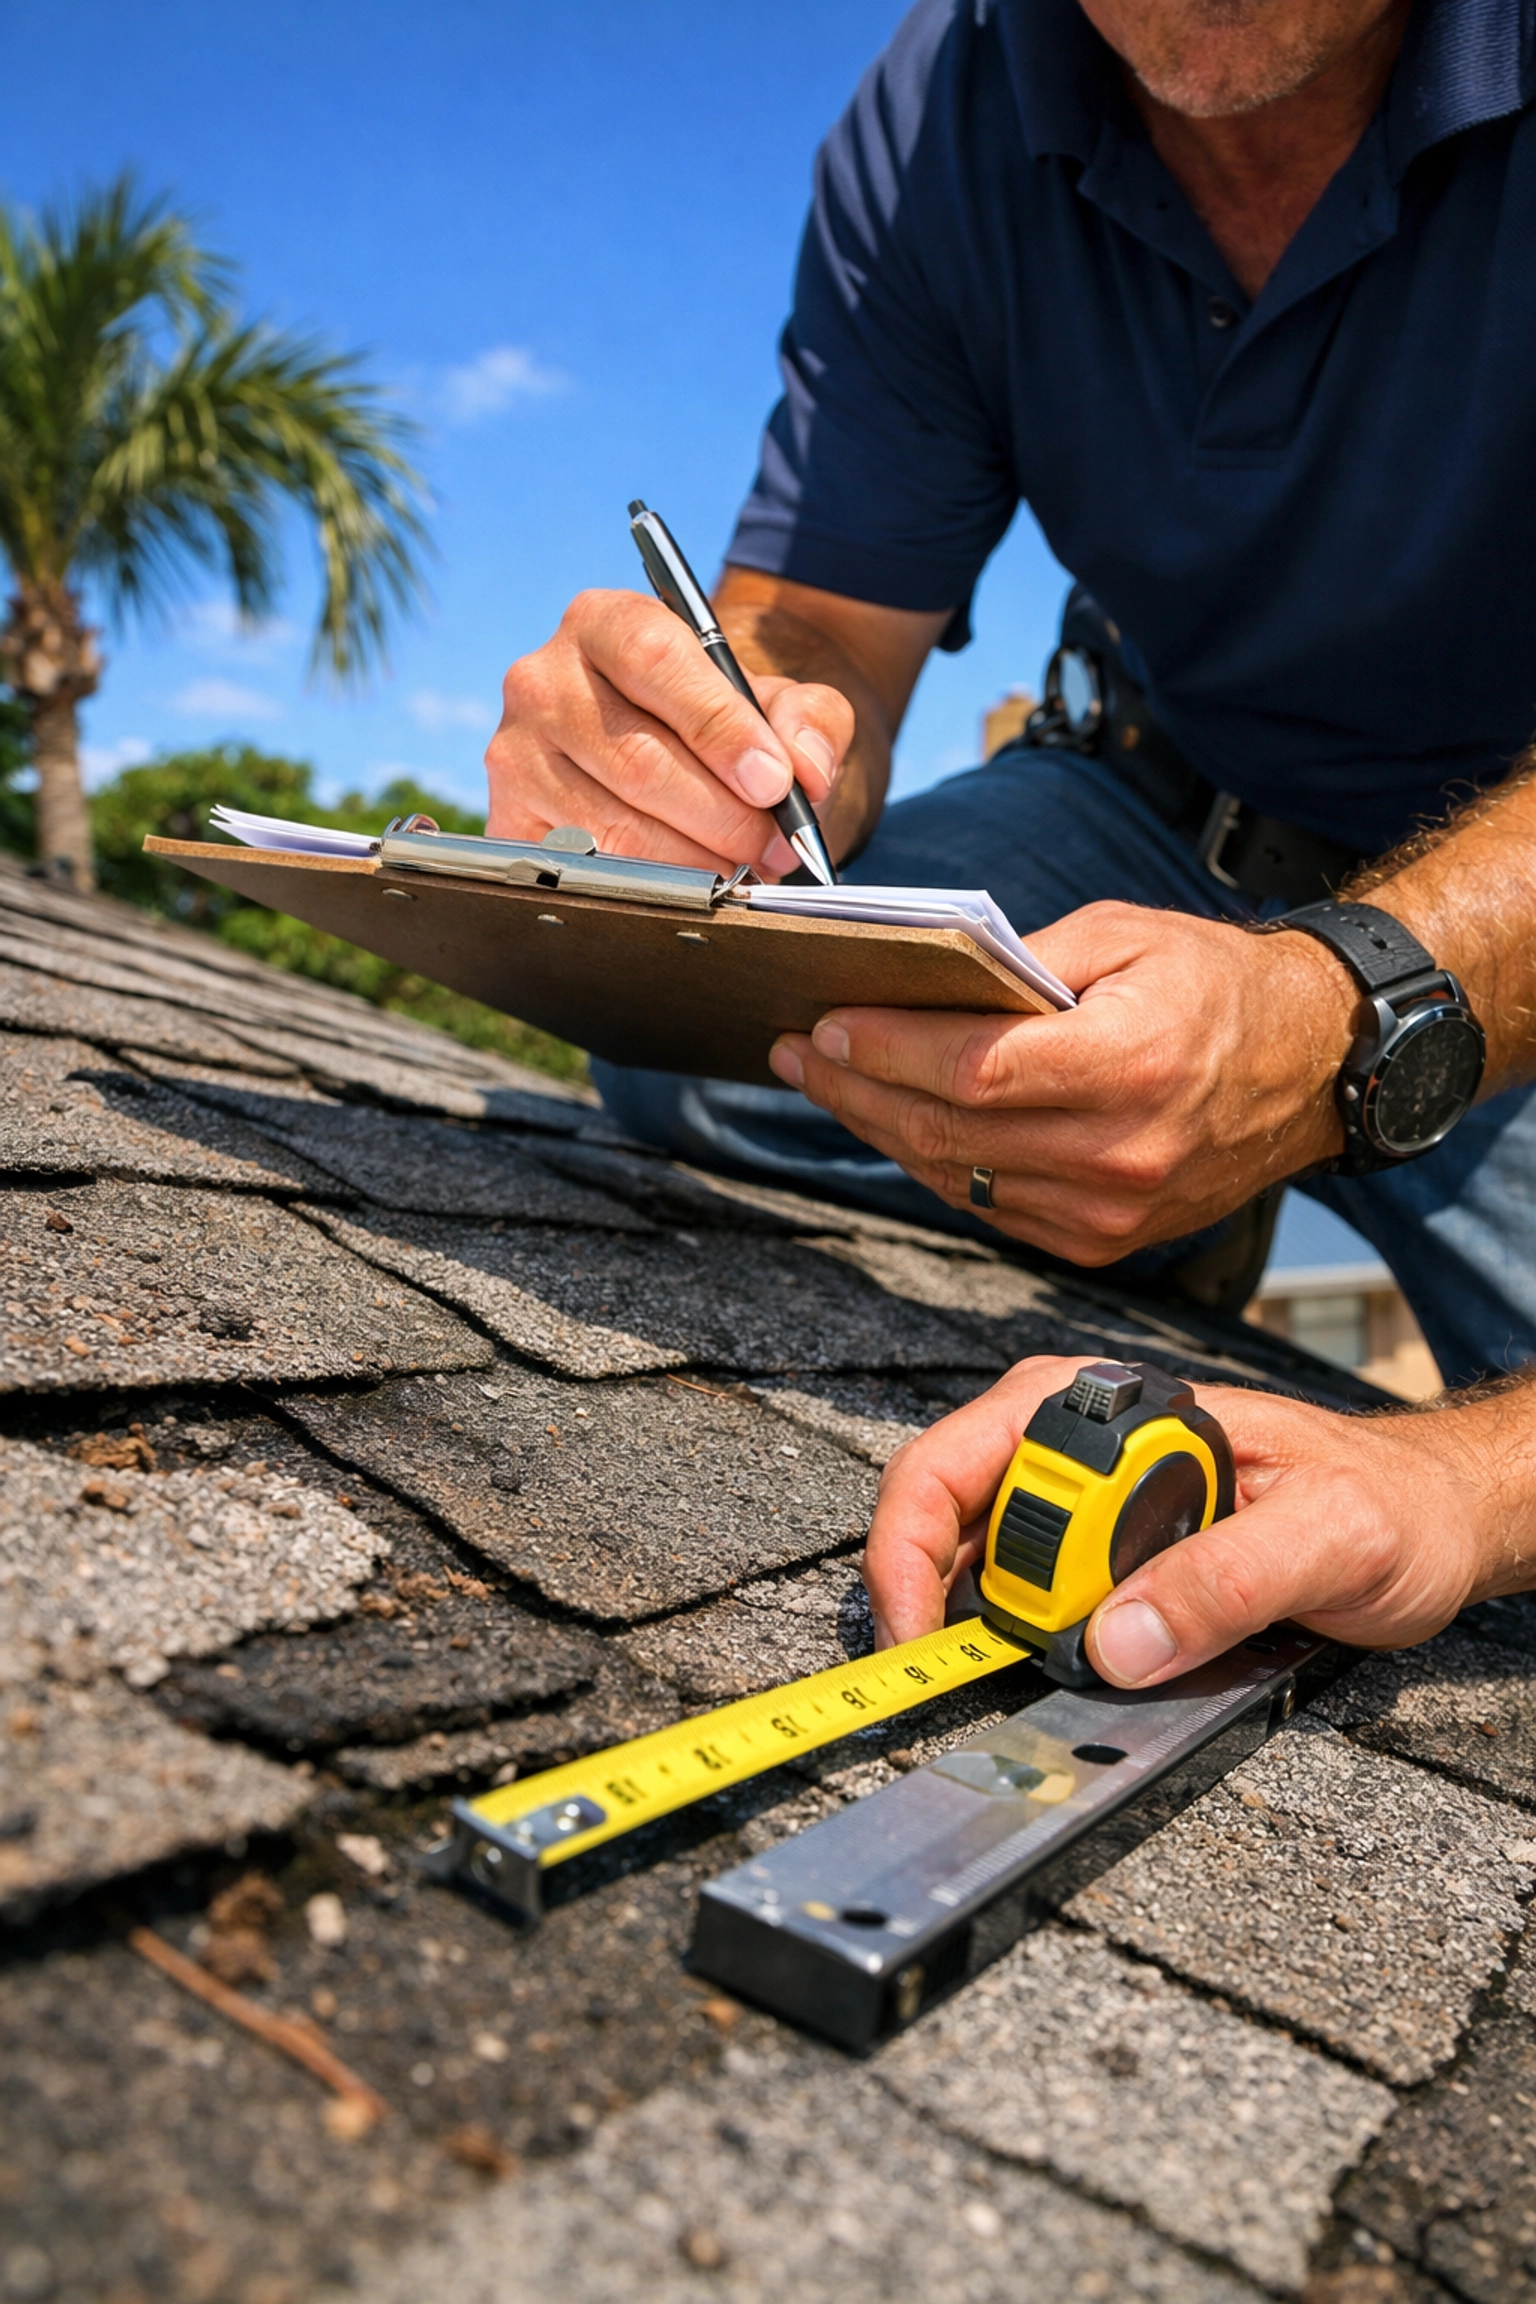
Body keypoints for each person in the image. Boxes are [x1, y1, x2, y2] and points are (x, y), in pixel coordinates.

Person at [486, 0, 1536, 1661]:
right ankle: (1177, 1195)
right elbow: (821, 626)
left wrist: (1338, 1020)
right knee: (707, 1033)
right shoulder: (941, 110)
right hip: (1145, 802)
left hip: (1504, 915)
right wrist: (733, 744)